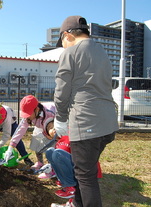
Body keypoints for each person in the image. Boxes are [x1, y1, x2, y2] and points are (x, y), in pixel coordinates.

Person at [52, 16, 118, 207]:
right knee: (84, 170)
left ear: (67, 35)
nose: (63, 46)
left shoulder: (70, 53)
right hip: (108, 123)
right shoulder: (102, 51)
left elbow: (62, 91)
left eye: (62, 41)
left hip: (86, 121)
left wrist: (61, 118)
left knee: (85, 176)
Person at [4, 95, 56, 165]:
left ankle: (52, 165)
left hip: (54, 126)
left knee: (52, 146)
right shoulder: (30, 117)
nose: (27, 116)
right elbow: (20, 130)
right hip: (41, 125)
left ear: (37, 109)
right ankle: (40, 162)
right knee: (37, 140)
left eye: (29, 113)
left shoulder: (50, 112)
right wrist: (11, 147)